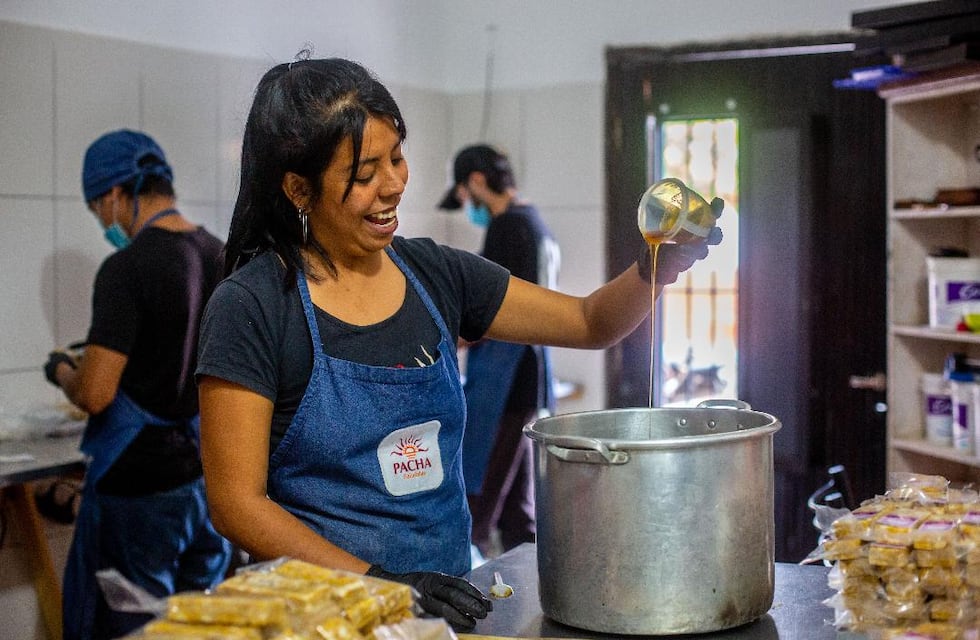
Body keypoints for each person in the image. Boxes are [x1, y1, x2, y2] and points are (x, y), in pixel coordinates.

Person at [196, 56, 722, 632]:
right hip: (320, 617)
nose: (393, 183)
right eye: (366, 172)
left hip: (441, 610)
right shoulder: (254, 306)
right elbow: (236, 503)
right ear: (299, 188)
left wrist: (660, 266)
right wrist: (381, 584)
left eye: (397, 158)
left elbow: (590, 322)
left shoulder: (435, 275)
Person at [44, 129, 232, 640]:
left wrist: (61, 368)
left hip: (141, 489)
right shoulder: (219, 255)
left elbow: (95, 392)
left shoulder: (126, 269)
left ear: (111, 195)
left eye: (97, 210)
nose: (104, 223)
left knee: (133, 624)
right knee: (201, 622)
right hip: (207, 478)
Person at [437, 144, 559, 559]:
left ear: (475, 182)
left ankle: (468, 603)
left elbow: (489, 312)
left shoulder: (508, 226)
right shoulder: (535, 222)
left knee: (479, 502)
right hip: (530, 376)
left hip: (506, 381)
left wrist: (442, 342)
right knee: (516, 510)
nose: (469, 208)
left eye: (466, 199)